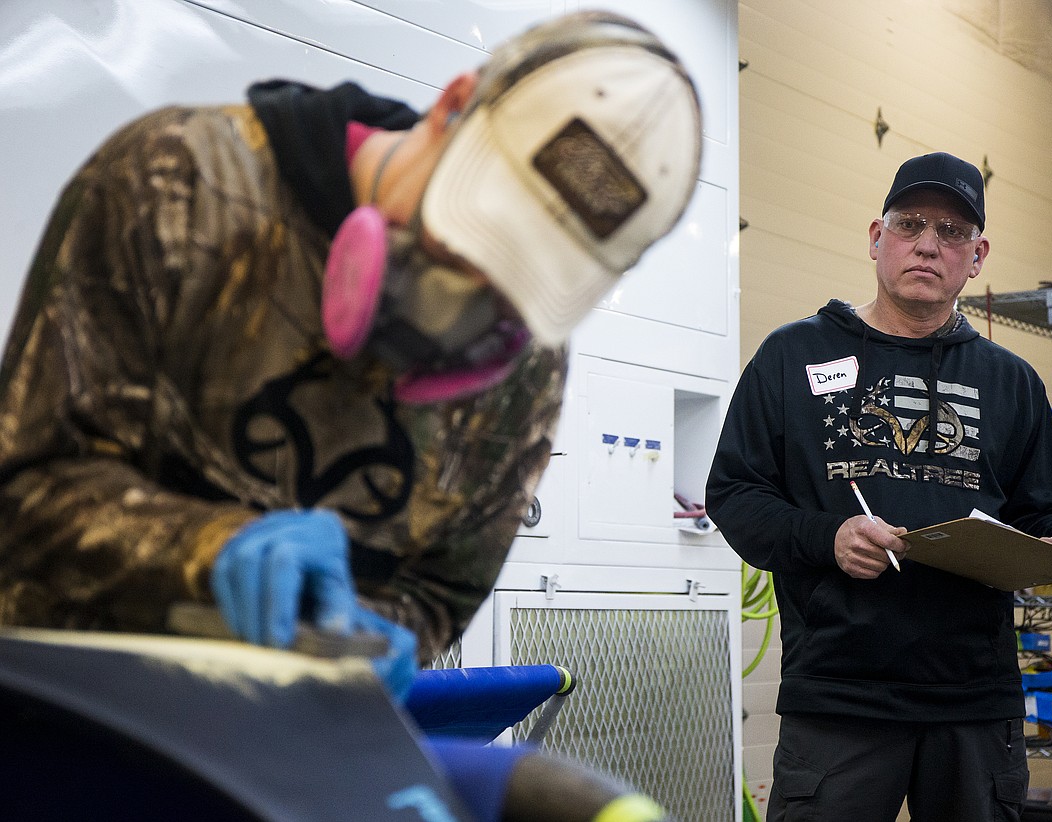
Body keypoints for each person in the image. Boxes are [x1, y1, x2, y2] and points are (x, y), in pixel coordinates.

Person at [0, 9, 701, 693]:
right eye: (467, 241)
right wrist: (209, 548)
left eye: (517, 285)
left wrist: (379, 635)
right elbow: (23, 489)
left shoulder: (526, 361)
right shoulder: (178, 182)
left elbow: (438, 591)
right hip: (71, 716)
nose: (460, 308)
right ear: (452, 106)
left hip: (285, 754)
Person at [705, 152, 1052, 821]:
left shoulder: (1011, 381)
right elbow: (735, 495)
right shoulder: (794, 356)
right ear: (877, 237)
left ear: (977, 255)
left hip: (973, 701)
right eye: (910, 224)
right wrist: (829, 535)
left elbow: (1049, 512)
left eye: (953, 232)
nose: (929, 243)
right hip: (839, 697)